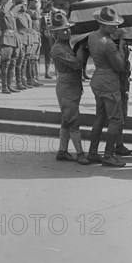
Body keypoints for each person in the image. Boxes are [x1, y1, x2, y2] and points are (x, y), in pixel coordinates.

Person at [86, 6, 127, 167]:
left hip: (97, 80)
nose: (116, 27)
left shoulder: (92, 36)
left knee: (100, 117)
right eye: (113, 25)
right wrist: (122, 47)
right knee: (116, 119)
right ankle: (108, 155)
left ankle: (92, 152)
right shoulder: (109, 44)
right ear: (103, 24)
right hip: (109, 82)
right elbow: (119, 66)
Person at [48, 12, 90, 165]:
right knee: (74, 119)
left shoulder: (67, 44)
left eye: (68, 29)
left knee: (67, 119)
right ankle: (80, 153)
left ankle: (62, 151)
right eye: (63, 30)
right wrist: (80, 48)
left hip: (73, 84)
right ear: (55, 32)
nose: (68, 32)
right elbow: (76, 63)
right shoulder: (57, 49)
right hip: (66, 86)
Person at [0, 0, 21, 94]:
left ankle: (10, 85)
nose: (11, 2)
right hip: (5, 40)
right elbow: (3, 12)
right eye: (8, 0)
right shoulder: (0, 11)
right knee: (5, 63)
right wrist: (9, 3)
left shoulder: (10, 13)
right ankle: (4, 87)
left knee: (13, 64)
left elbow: (16, 11)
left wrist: (19, 5)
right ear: (3, 1)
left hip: (14, 39)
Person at [39, 0, 59, 79]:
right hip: (39, 34)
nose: (45, 1)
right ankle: (35, 73)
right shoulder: (37, 10)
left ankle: (52, 71)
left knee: (52, 52)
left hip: (51, 34)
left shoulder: (53, 10)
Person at [26, 0, 44, 87]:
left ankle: (34, 78)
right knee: (31, 59)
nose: (37, 4)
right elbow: (35, 17)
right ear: (30, 3)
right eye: (35, 2)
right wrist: (39, 8)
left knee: (35, 59)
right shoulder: (29, 12)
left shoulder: (36, 12)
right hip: (31, 39)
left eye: (37, 2)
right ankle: (30, 79)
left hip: (37, 37)